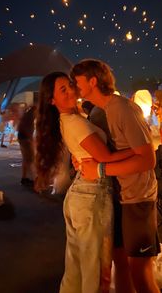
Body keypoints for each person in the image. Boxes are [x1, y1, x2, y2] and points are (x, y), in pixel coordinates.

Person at [35, 72, 134, 293]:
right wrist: (139, 153)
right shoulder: (74, 123)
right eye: (63, 90)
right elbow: (106, 157)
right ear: (52, 100)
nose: (71, 90)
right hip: (92, 197)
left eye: (70, 85)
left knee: (77, 268)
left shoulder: (72, 119)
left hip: (81, 195)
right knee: (97, 272)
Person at [71, 59, 160, 293]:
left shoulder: (123, 108)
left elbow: (147, 159)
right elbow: (111, 152)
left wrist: (100, 170)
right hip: (117, 197)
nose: (74, 87)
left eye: (77, 81)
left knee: (140, 271)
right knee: (120, 263)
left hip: (137, 198)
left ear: (92, 81)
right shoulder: (101, 111)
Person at [17, 105, 37, 185]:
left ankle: (25, 178)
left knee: (26, 159)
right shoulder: (30, 117)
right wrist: (30, 139)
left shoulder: (27, 116)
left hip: (23, 138)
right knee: (30, 159)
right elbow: (27, 129)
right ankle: (31, 178)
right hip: (25, 139)